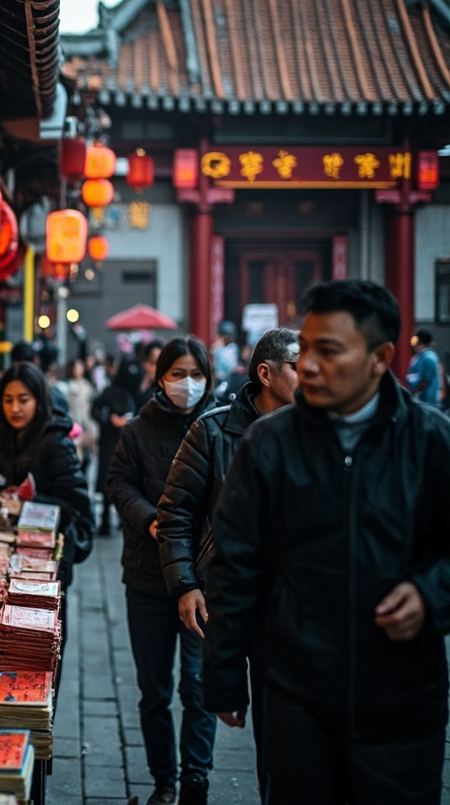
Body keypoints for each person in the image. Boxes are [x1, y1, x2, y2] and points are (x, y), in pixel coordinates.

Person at [204, 280, 450, 805]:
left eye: (329, 351)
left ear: (380, 357)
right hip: (296, 689)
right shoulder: (268, 444)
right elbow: (235, 562)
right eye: (306, 350)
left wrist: (430, 593)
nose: (310, 365)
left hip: (402, 695)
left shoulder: (430, 441)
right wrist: (224, 673)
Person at [155, 327, 299, 802]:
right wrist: (185, 584)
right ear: (266, 373)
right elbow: (175, 512)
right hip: (230, 598)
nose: (314, 374)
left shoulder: (320, 433)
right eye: (300, 365)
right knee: (198, 691)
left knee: (290, 744)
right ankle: (189, 779)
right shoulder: (213, 430)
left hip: (298, 609)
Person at [106, 337, 218, 805]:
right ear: (160, 377)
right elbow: (118, 483)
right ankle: (164, 782)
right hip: (148, 579)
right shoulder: (137, 431)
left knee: (199, 687)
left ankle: (196, 777)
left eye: (196, 375)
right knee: (154, 691)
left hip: (202, 581)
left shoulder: (219, 429)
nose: (187, 384)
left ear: (209, 379)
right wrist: (148, 518)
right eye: (177, 374)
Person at [0, 362, 94, 588]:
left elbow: (77, 508)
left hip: (52, 557)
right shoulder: (9, 435)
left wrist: (28, 505)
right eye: (8, 400)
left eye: (24, 399)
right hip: (20, 549)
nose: (15, 408)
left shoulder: (56, 443)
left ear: (39, 400)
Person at [92, 356, 135, 536]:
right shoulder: (110, 392)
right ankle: (107, 520)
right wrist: (110, 419)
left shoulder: (132, 392)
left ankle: (118, 518)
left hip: (125, 442)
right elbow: (96, 410)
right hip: (110, 441)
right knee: (108, 478)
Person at [58, 359, 99, 474]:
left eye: (80, 367)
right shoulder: (65, 386)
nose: (78, 370)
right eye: (76, 367)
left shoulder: (87, 385)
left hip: (86, 424)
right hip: (72, 423)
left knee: (87, 456)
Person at [406, 327, 443, 408]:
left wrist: (413, 392)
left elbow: (424, 382)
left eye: (415, 341)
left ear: (421, 342)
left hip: (427, 403)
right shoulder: (423, 357)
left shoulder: (427, 358)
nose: (414, 345)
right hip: (425, 402)